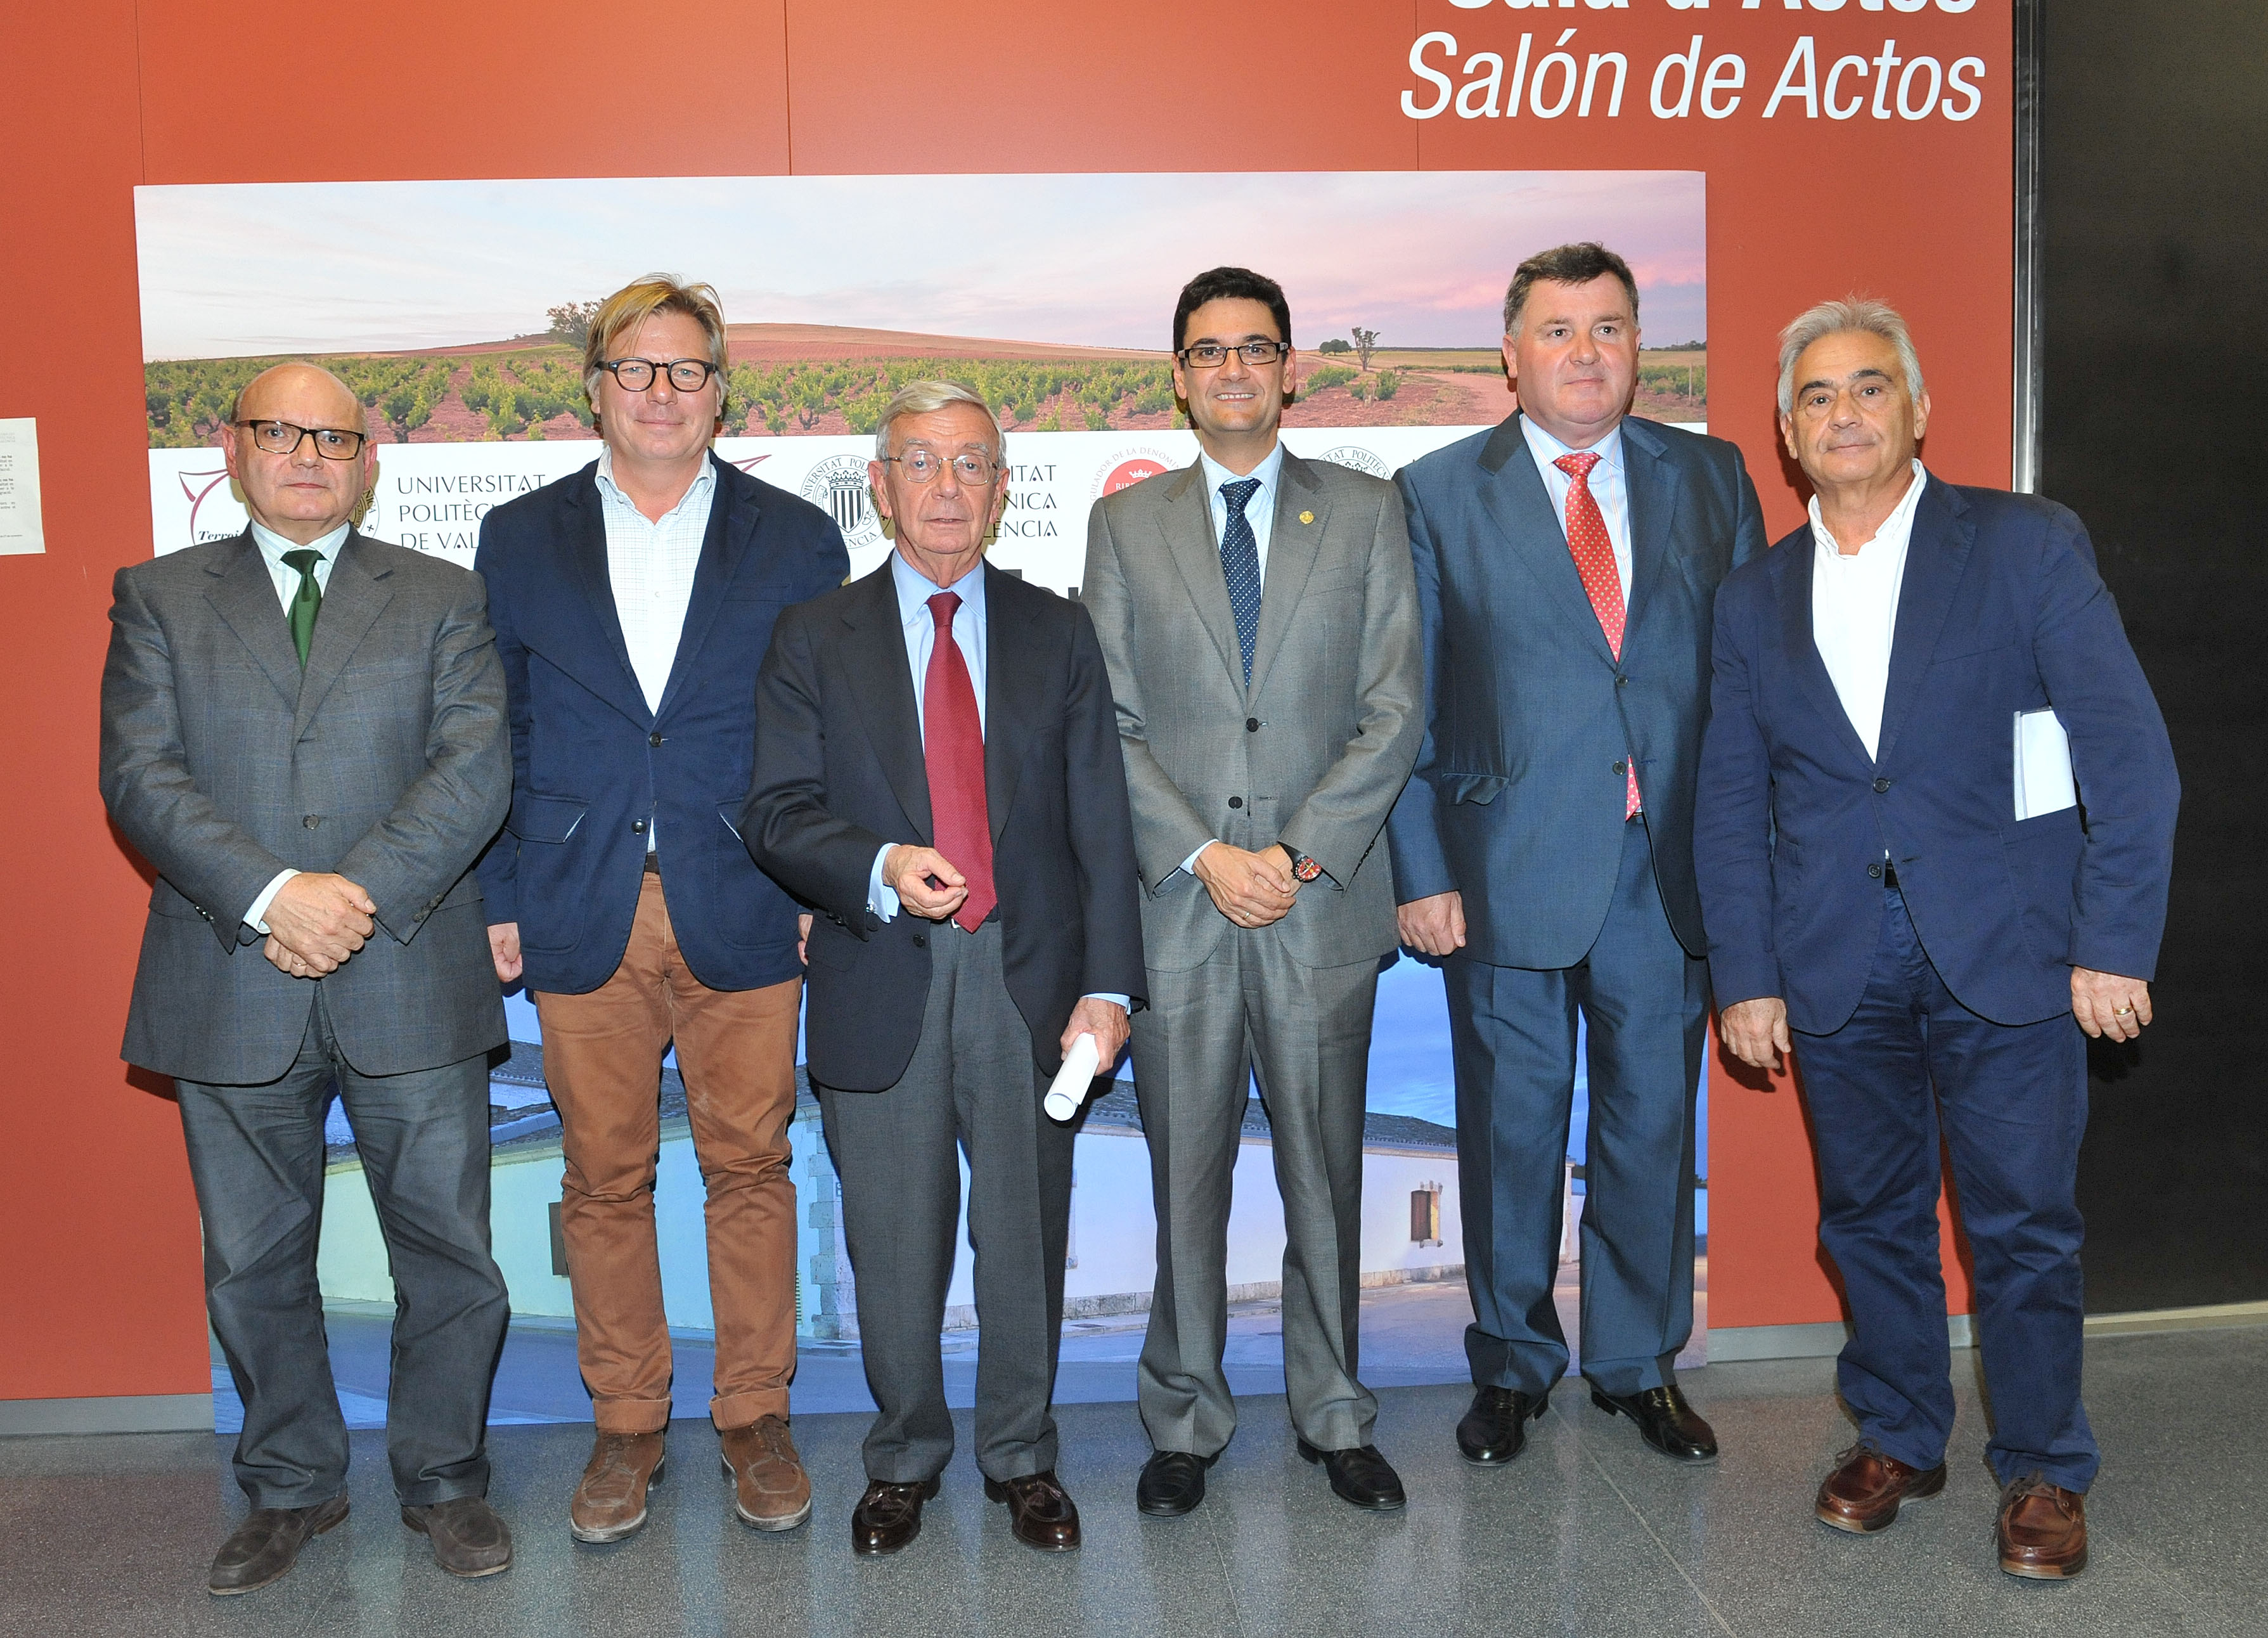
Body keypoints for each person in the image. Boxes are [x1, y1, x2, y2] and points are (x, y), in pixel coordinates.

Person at [1696, 298, 2178, 1579]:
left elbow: (2128, 757)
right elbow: (1730, 802)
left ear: (1917, 409)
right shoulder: (1752, 598)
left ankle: (2044, 1466)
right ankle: (1900, 1434)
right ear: (1786, 433)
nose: (1843, 412)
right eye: (1815, 395)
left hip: (2011, 952)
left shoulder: (2025, 545)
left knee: (2023, 1226)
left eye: (1868, 386)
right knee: (1868, 1219)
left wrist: (2112, 942)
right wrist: (1744, 974)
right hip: (1832, 958)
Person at [100, 362, 515, 1592]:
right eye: (280, 432)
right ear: (233, 449)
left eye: (333, 438)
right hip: (231, 969)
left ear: (367, 462)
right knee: (253, 1261)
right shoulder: (158, 596)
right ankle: (291, 1483)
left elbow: (473, 768)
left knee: (448, 1251)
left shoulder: (443, 593)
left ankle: (445, 1479)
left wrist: (349, 895)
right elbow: (141, 778)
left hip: (409, 965)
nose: (307, 456)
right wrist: (278, 895)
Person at [474, 277, 848, 1543]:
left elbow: (822, 731)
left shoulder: (793, 538)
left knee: (752, 1166)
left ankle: (755, 1415)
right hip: (579, 903)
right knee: (601, 1176)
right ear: (594, 389)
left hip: (746, 897)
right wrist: (499, 892)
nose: (659, 393)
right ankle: (627, 1423)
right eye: (634, 368)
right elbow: (499, 731)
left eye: (686, 370)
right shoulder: (519, 538)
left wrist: (820, 880)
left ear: (718, 391)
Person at [745, 381, 1144, 1556]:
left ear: (1002, 490)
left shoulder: (1057, 630)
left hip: (1030, 984)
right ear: (880, 488)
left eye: (971, 464)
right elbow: (775, 811)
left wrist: (1108, 988)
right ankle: (903, 1458)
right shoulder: (812, 636)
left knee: (1023, 1235)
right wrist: (876, 863)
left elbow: (1102, 822)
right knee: (892, 1242)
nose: (946, 486)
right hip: (882, 971)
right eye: (920, 462)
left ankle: (1022, 1456)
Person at [1388, 242, 1766, 1469]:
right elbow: (1404, 701)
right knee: (1510, 1130)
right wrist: (1419, 868)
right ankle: (1511, 1364)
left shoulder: (1711, 476)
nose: (1585, 352)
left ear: (1638, 345)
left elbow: (1752, 685)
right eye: (1557, 330)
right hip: (1501, 870)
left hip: (1665, 868)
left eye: (1608, 327)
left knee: (1650, 1124)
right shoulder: (1435, 492)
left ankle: (1637, 1364)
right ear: (1510, 353)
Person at [1082, 266, 1422, 1517]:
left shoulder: (1367, 511)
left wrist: (1295, 852)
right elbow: (1109, 722)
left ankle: (1334, 1412)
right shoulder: (1126, 525)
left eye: (1256, 348)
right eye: (1209, 351)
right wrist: (1206, 854)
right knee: (1185, 1177)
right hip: (1180, 904)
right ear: (1178, 377)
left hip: (1318, 902)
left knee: (1325, 1175)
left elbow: (1394, 706)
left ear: (1289, 369)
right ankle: (1183, 1417)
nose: (1233, 369)